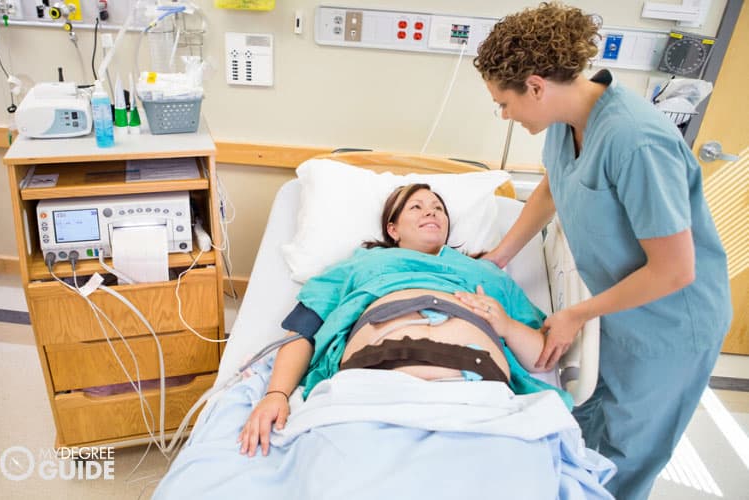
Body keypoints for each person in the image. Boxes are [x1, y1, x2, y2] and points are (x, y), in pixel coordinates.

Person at [472, 3, 732, 499]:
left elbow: (676, 270)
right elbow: (553, 186)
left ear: (535, 86)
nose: (504, 116)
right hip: (620, 310)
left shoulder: (636, 141)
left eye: (503, 103)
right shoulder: (564, 121)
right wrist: (500, 257)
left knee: (626, 456)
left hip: (671, 324)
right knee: (588, 429)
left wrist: (576, 314)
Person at [239, 183, 567, 458]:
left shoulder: (486, 273)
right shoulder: (361, 264)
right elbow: (302, 331)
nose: (431, 212)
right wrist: (277, 394)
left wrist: (506, 325)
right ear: (392, 229)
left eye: (438, 207)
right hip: (372, 382)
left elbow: (541, 357)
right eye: (416, 207)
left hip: (476, 391)